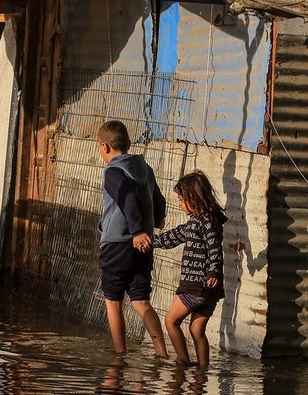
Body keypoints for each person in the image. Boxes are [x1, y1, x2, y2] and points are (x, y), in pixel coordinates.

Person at [97, 120, 168, 357]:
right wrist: (156, 221)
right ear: (128, 143)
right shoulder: (145, 169)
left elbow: (127, 198)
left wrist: (136, 231)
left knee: (113, 301)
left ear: (105, 147)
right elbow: (158, 199)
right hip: (143, 246)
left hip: (118, 245)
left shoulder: (113, 172)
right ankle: (161, 352)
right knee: (141, 301)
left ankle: (120, 355)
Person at [148, 171, 226, 368]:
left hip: (197, 284)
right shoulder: (198, 221)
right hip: (210, 289)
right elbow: (173, 237)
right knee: (197, 330)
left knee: (170, 321)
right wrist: (150, 242)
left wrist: (213, 271)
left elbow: (214, 247)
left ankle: (183, 361)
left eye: (182, 200)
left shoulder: (206, 220)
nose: (180, 204)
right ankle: (202, 371)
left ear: (193, 198)